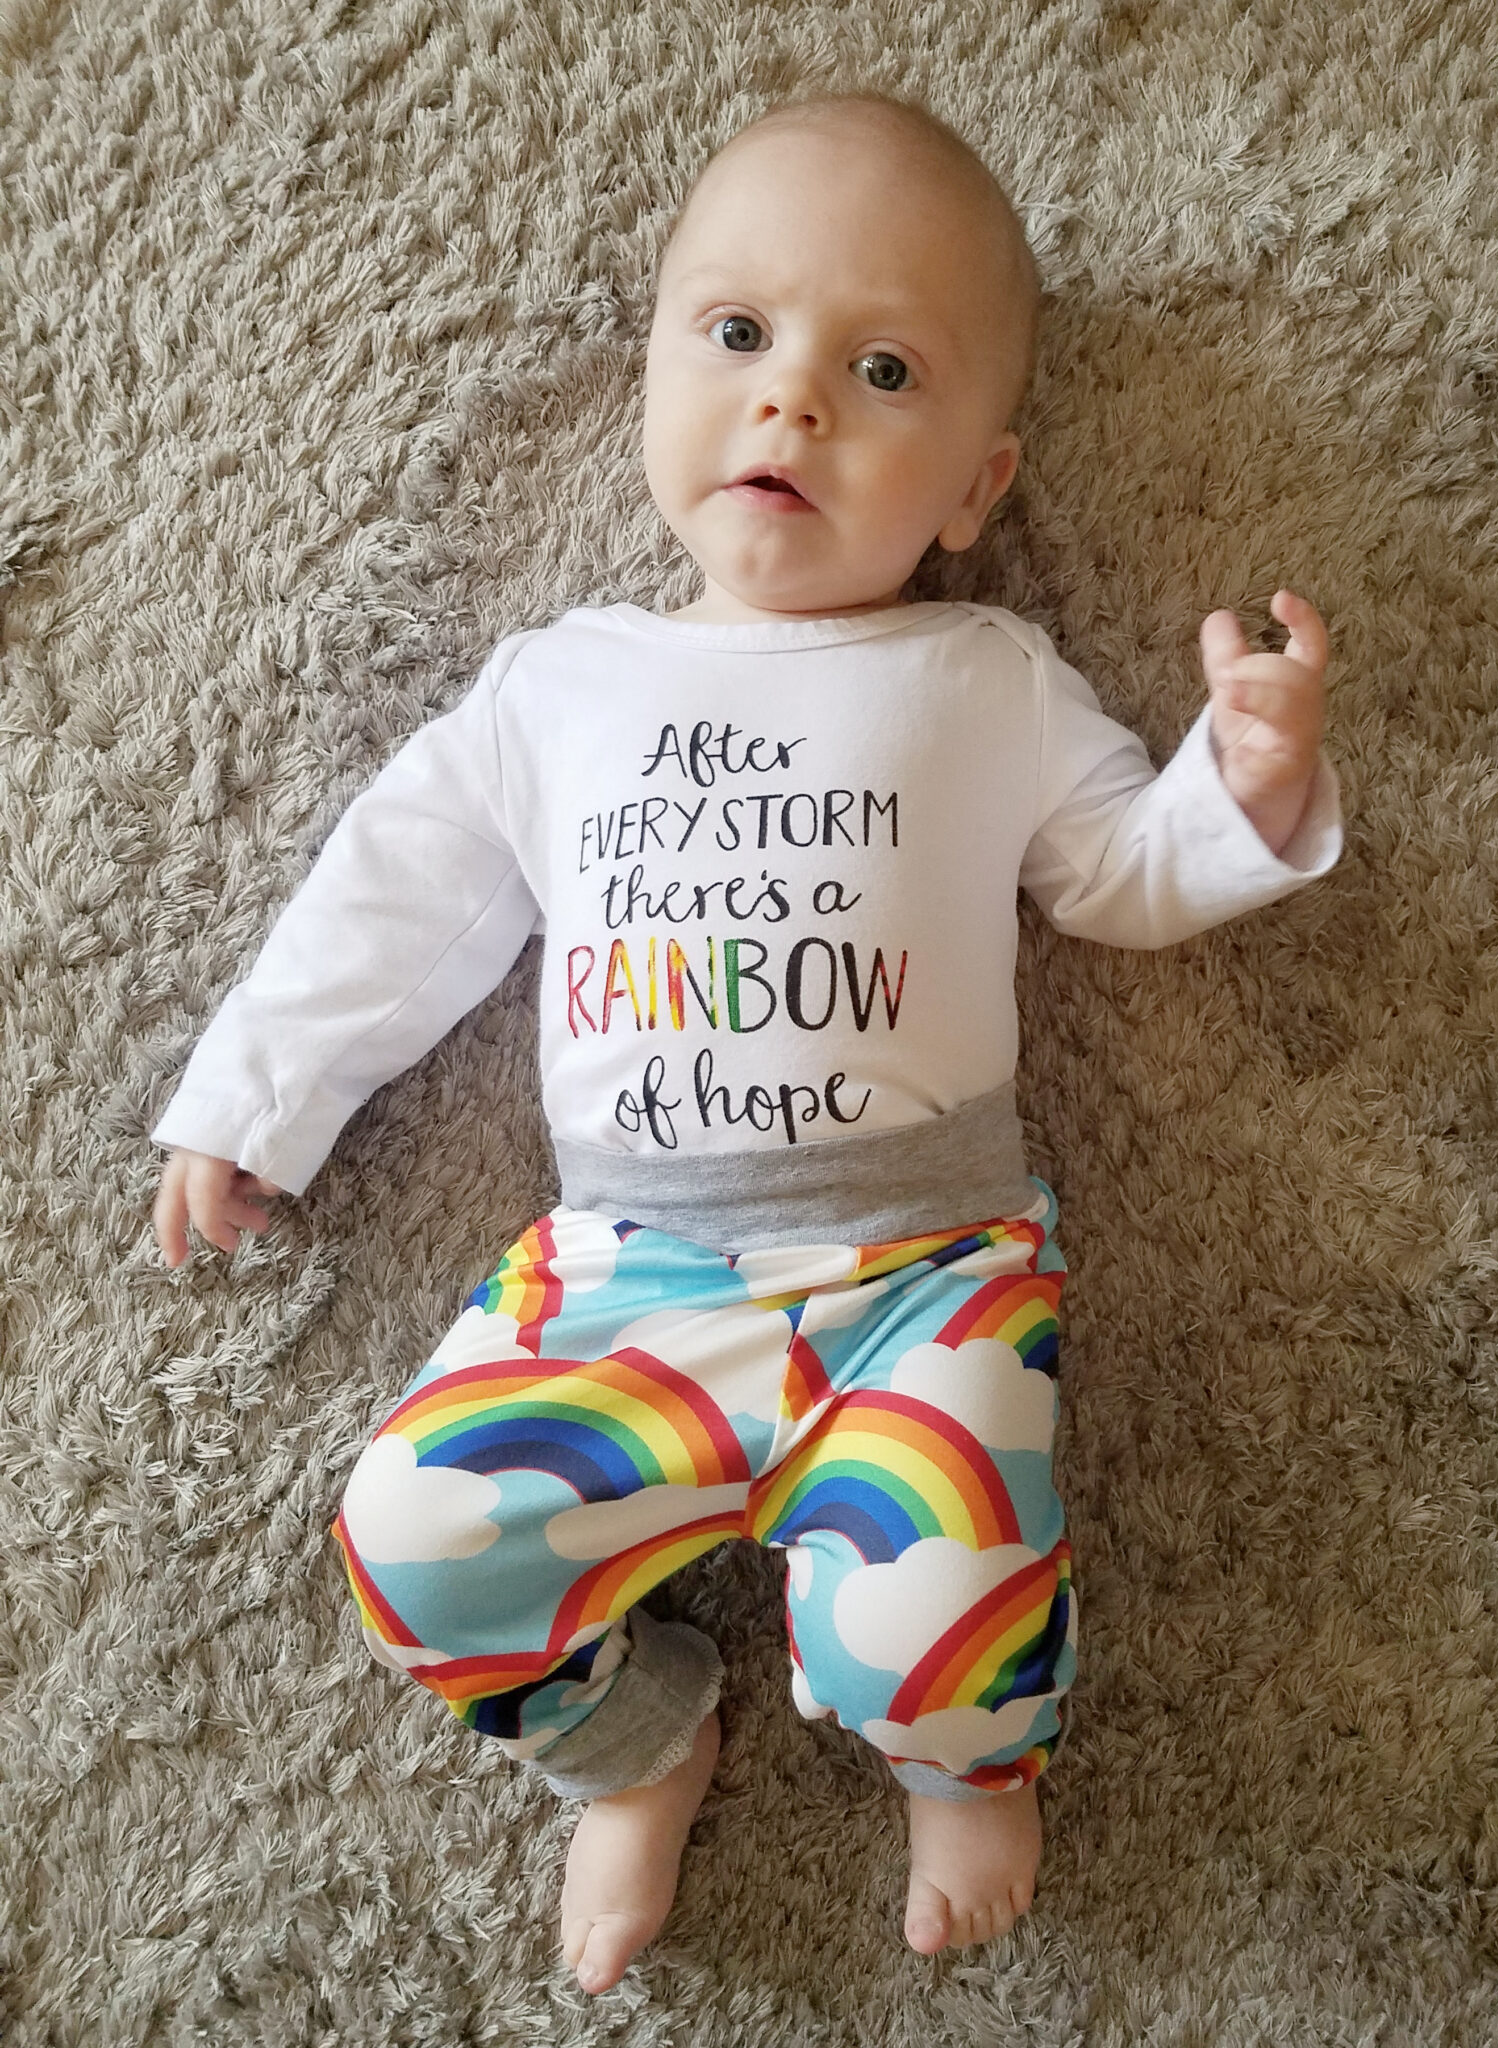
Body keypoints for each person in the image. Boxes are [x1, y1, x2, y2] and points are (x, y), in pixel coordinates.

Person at [150, 91, 1342, 1993]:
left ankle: (960, 1761)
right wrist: (259, 1098)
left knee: (943, 1617)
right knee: (411, 1538)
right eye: (735, 337)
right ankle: (637, 1747)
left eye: (880, 370)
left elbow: (1121, 872)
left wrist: (1246, 779)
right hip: (625, 1281)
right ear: (651, 383)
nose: (791, 402)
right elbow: (395, 899)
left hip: (923, 1280)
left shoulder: (983, 676)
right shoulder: (561, 689)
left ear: (974, 488)